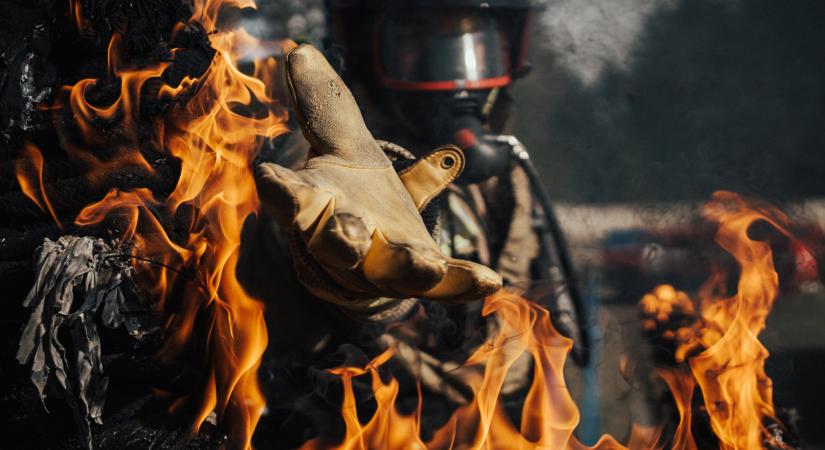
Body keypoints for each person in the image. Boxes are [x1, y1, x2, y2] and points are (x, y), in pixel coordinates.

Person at [242, 0, 590, 445]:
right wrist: (369, 288)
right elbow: (321, 227)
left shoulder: (504, 176)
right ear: (363, 46)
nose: (456, 69)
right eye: (416, 37)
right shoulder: (318, 163)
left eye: (473, 38)